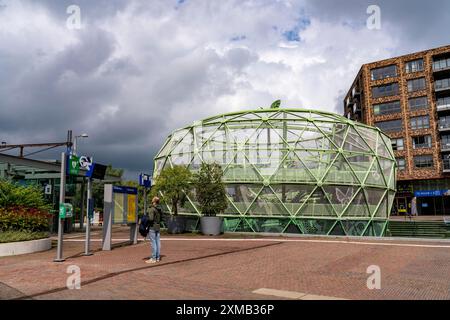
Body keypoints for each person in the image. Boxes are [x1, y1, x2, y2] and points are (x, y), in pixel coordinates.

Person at [146, 196, 162, 263]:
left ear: (153, 201)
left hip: (152, 227)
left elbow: (151, 219)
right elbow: (162, 218)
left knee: (153, 243)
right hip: (158, 226)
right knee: (158, 242)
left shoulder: (152, 209)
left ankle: (153, 258)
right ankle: (157, 257)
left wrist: (146, 221)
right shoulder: (160, 209)